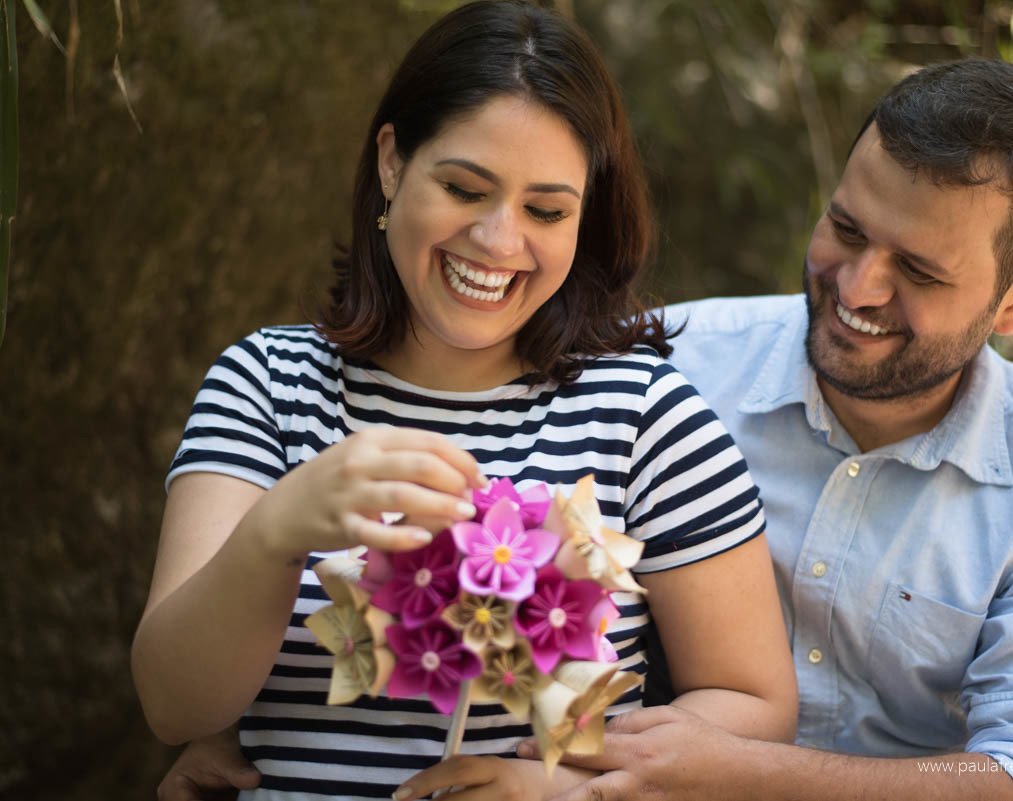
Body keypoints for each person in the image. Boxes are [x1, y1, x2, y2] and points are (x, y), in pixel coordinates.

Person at [157, 56, 1013, 801]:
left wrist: (717, 773)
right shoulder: (664, 360)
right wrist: (257, 720)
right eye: (846, 229)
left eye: (920, 273)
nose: (859, 288)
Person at [130, 2, 798, 800]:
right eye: (463, 187)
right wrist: (277, 529)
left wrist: (579, 789)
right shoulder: (267, 384)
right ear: (391, 162)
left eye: (546, 210)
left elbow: (757, 707)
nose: (498, 239)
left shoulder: (646, 418)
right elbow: (174, 705)